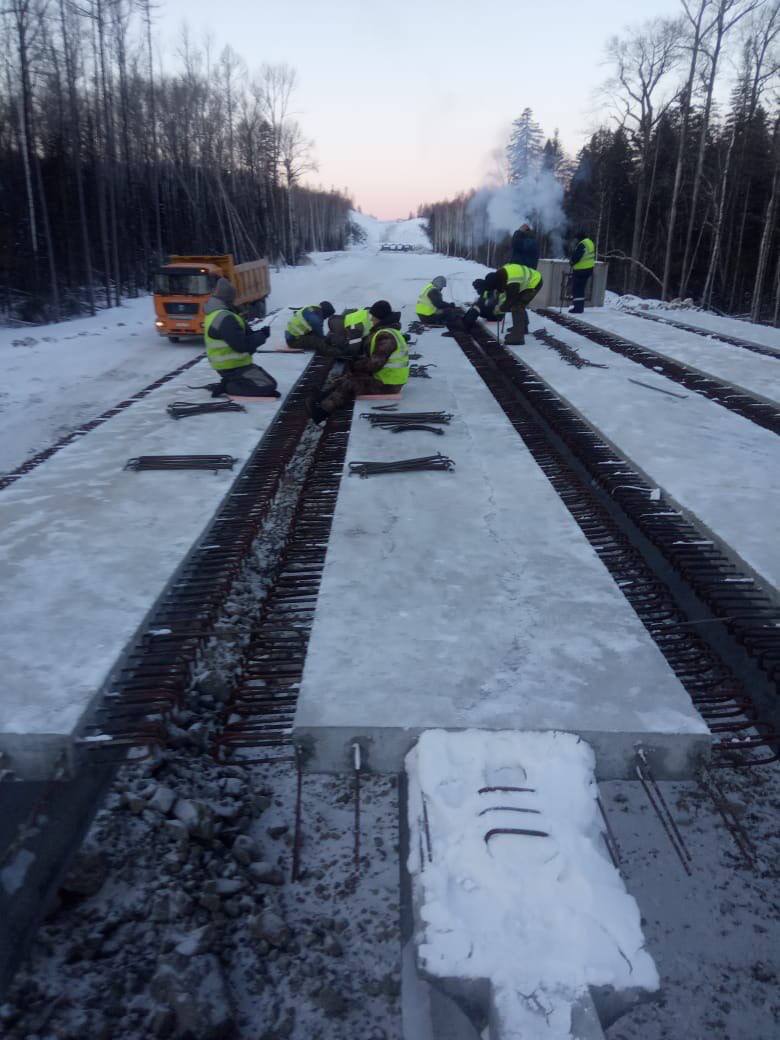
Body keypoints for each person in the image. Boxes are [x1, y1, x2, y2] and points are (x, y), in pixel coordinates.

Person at [307, 300, 409, 423]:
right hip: (386, 378)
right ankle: (321, 398)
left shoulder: (386, 337)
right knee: (351, 376)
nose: (371, 320)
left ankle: (321, 413)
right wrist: (357, 365)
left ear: (379, 318)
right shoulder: (388, 332)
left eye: (373, 317)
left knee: (351, 384)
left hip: (389, 384)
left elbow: (375, 364)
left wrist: (356, 364)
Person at [203, 278, 279, 397]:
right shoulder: (225, 318)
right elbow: (241, 345)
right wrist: (262, 336)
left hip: (233, 365)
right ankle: (227, 386)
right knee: (268, 386)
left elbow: (239, 337)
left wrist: (258, 333)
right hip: (232, 367)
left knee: (270, 384)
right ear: (228, 298)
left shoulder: (216, 314)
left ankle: (231, 382)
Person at [484, 263, 543, 345]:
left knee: (517, 306)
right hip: (526, 282)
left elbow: (511, 299)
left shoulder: (512, 282)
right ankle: (522, 328)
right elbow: (503, 292)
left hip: (534, 282)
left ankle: (518, 337)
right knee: (517, 304)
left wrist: (500, 308)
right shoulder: (501, 275)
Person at [568, 232, 596, 314]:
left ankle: (578, 308)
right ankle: (579, 307)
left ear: (579, 238)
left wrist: (572, 262)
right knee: (581, 288)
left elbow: (577, 256)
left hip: (581, 270)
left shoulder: (582, 244)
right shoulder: (590, 242)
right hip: (588, 268)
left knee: (577, 289)